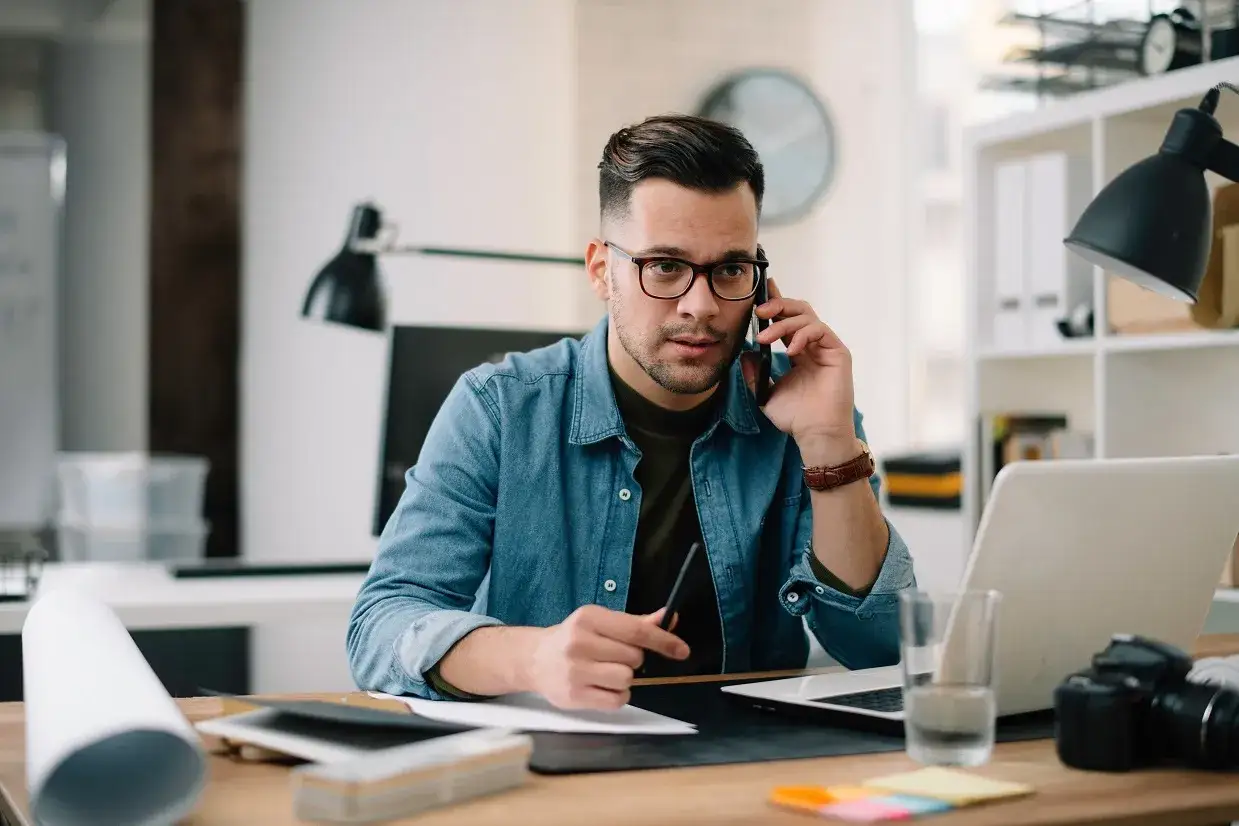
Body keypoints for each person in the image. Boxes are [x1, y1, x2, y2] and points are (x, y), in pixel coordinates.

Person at [346, 113, 916, 710]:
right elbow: (380, 628)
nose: (701, 307)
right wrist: (532, 657)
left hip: (750, 769)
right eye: (665, 266)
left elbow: (875, 642)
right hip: (555, 776)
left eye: (729, 269)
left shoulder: (806, 409)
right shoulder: (499, 409)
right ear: (601, 271)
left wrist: (828, 441)